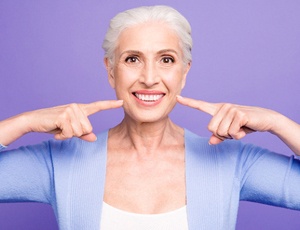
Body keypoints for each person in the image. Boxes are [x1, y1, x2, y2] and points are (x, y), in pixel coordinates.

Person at [0, 5, 300, 230]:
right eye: (133, 59)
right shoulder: (61, 161)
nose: (149, 77)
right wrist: (25, 121)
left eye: (166, 60)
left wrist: (277, 122)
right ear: (110, 69)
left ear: (184, 72)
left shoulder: (232, 162)